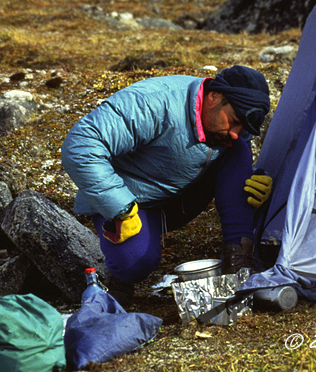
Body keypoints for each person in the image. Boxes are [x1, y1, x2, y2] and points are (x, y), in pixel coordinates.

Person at [61, 65, 273, 302]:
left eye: (242, 126)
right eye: (234, 121)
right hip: (132, 203)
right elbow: (80, 145)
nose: (236, 132)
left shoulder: (228, 125)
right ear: (214, 96)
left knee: (237, 150)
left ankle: (240, 263)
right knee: (134, 262)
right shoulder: (153, 103)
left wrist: (251, 177)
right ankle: (121, 274)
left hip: (180, 199)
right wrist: (119, 207)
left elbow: (229, 162)